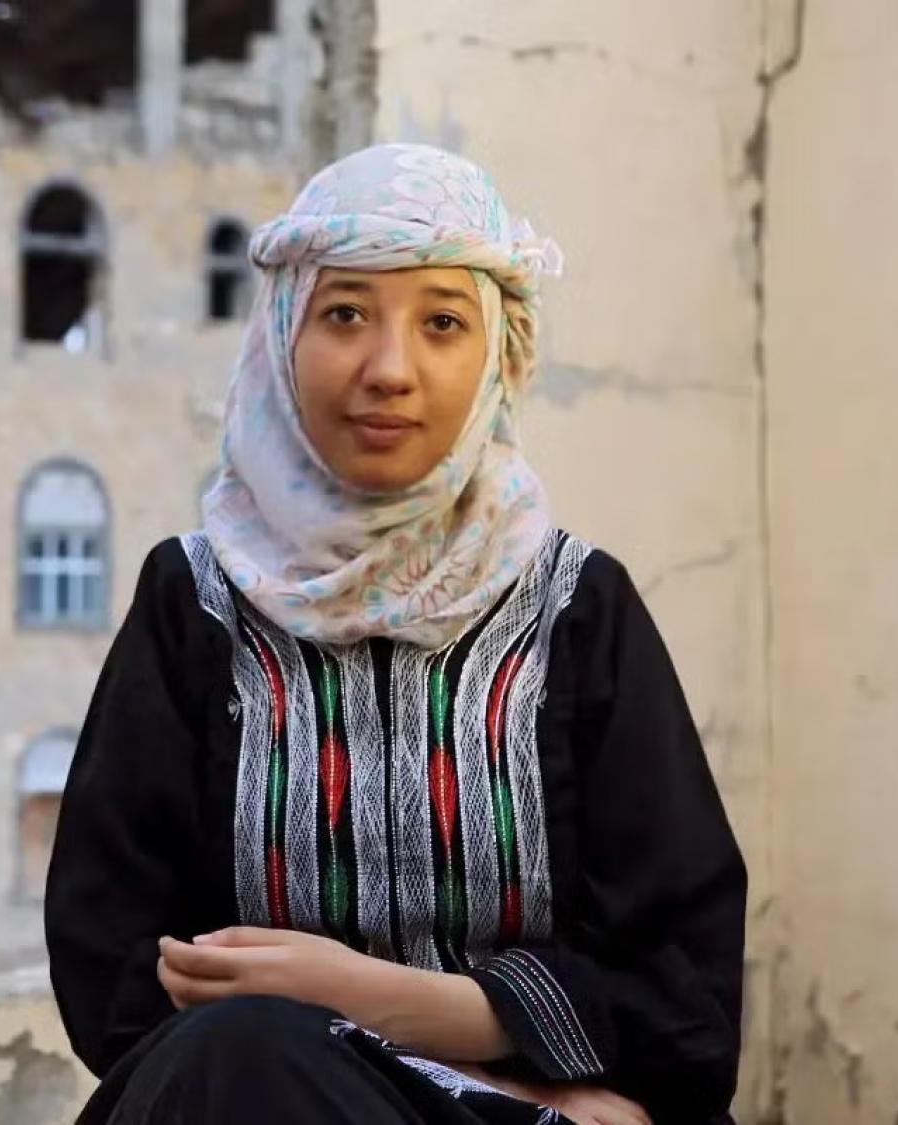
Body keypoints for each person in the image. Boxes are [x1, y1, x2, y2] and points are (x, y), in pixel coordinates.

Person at [44, 144, 745, 1125]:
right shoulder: (193, 604)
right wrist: (322, 1041)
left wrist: (406, 1008)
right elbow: (112, 974)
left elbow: (688, 1002)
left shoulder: (575, 608)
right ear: (280, 334)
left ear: (499, 354)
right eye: (342, 315)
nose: (387, 370)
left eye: (442, 323)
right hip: (259, 1103)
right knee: (238, 1053)